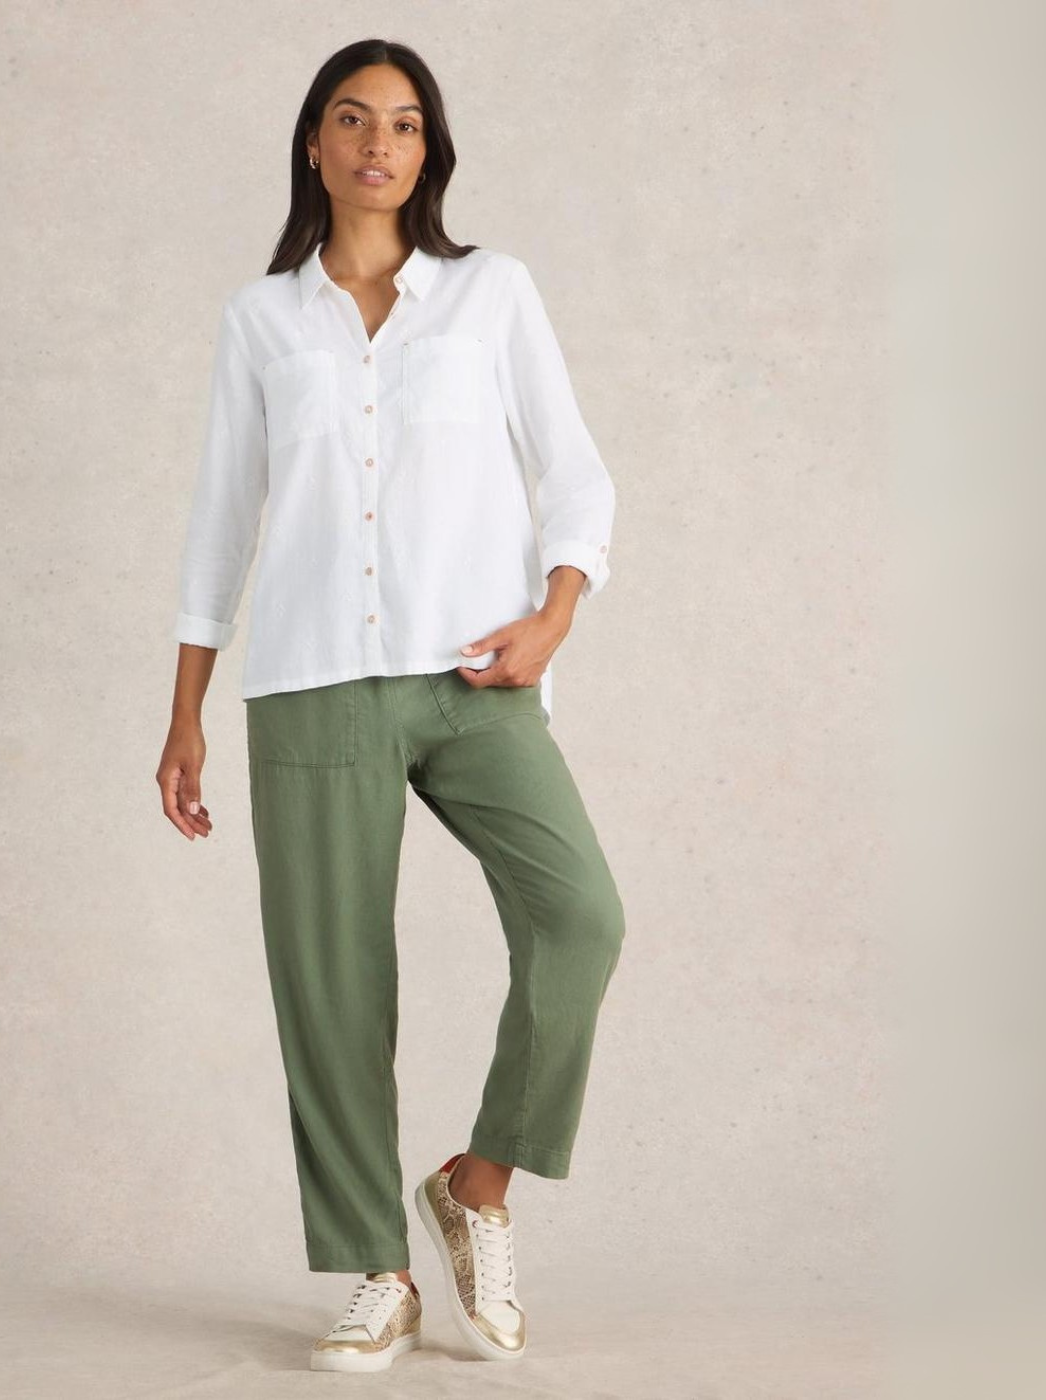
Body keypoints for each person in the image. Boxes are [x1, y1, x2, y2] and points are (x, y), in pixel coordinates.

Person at [157, 38, 626, 1374]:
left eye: (407, 123)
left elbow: (576, 476)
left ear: (430, 151)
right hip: (310, 683)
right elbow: (221, 523)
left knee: (581, 917)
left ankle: (476, 1185)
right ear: (314, 143)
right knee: (333, 985)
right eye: (355, 119)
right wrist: (186, 712)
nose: (380, 143)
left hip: (474, 677)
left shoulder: (490, 294)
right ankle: (380, 1271)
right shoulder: (262, 321)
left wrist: (555, 615)